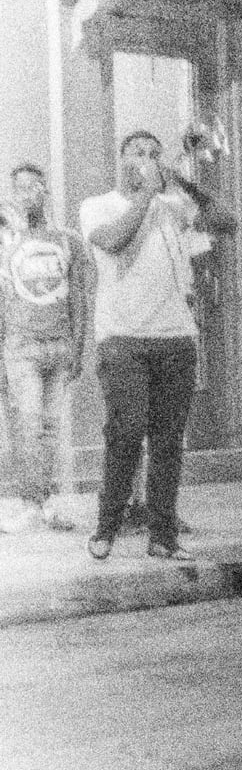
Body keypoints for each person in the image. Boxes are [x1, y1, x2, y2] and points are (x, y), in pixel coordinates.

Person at [79, 129, 236, 561]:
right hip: (122, 338)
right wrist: (147, 195)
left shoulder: (175, 206)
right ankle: (107, 527)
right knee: (126, 433)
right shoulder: (98, 206)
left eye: (153, 153)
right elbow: (113, 241)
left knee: (168, 441)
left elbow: (227, 222)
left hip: (176, 337)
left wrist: (186, 183)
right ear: (121, 160)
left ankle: (163, 536)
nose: (146, 159)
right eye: (137, 153)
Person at [0, 163, 86, 532]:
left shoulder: (68, 240)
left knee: (50, 428)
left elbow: (79, 297)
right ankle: (29, 503)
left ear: (45, 191)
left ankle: (43, 502)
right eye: (18, 189)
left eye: (32, 187)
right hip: (21, 345)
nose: (26, 195)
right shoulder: (6, 240)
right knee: (28, 425)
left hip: (60, 345)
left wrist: (79, 345)